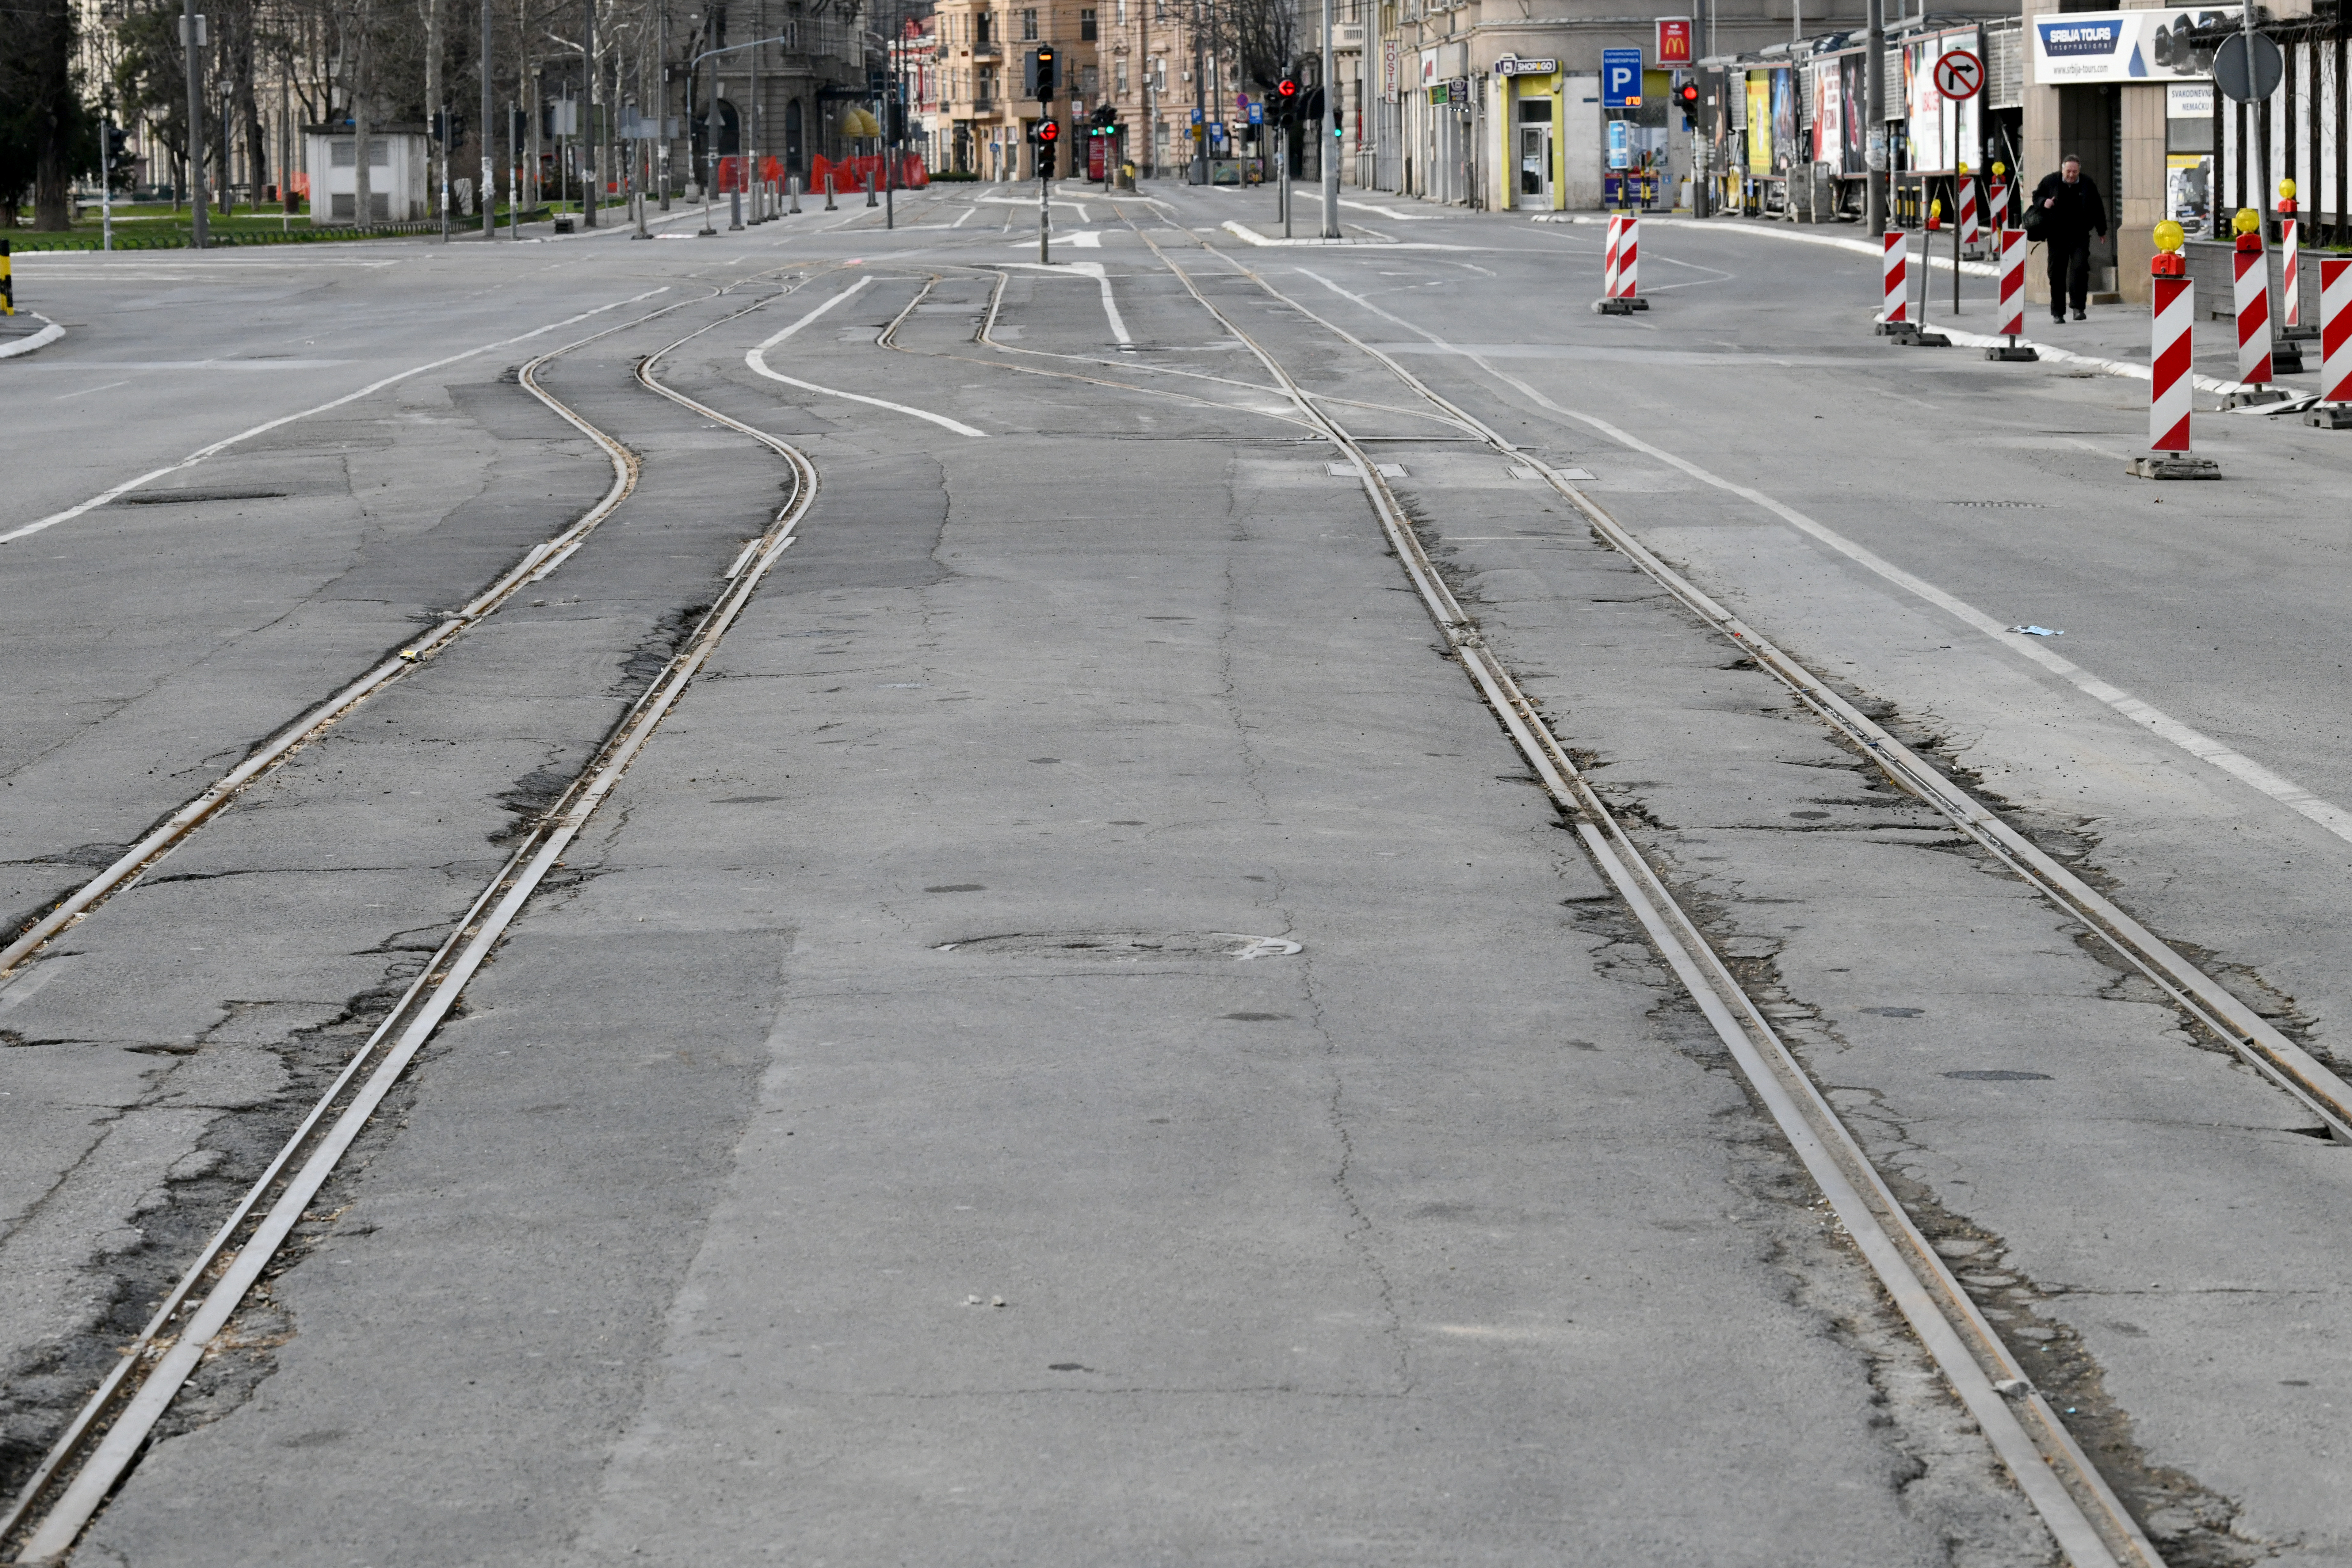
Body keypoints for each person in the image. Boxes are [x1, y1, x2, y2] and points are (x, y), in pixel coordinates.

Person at [2033, 154, 2108, 322]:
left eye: (2075, 172)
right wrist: (2044, 202)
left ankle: (2078, 307)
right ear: (2063, 170)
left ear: (2079, 171)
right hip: (2057, 235)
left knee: (2080, 269)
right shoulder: (2051, 181)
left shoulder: (2087, 184)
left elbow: (2098, 208)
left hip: (2080, 235)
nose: (2072, 175)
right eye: (2069, 171)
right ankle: (2058, 313)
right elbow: (2036, 197)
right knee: (2057, 273)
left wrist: (2102, 231)